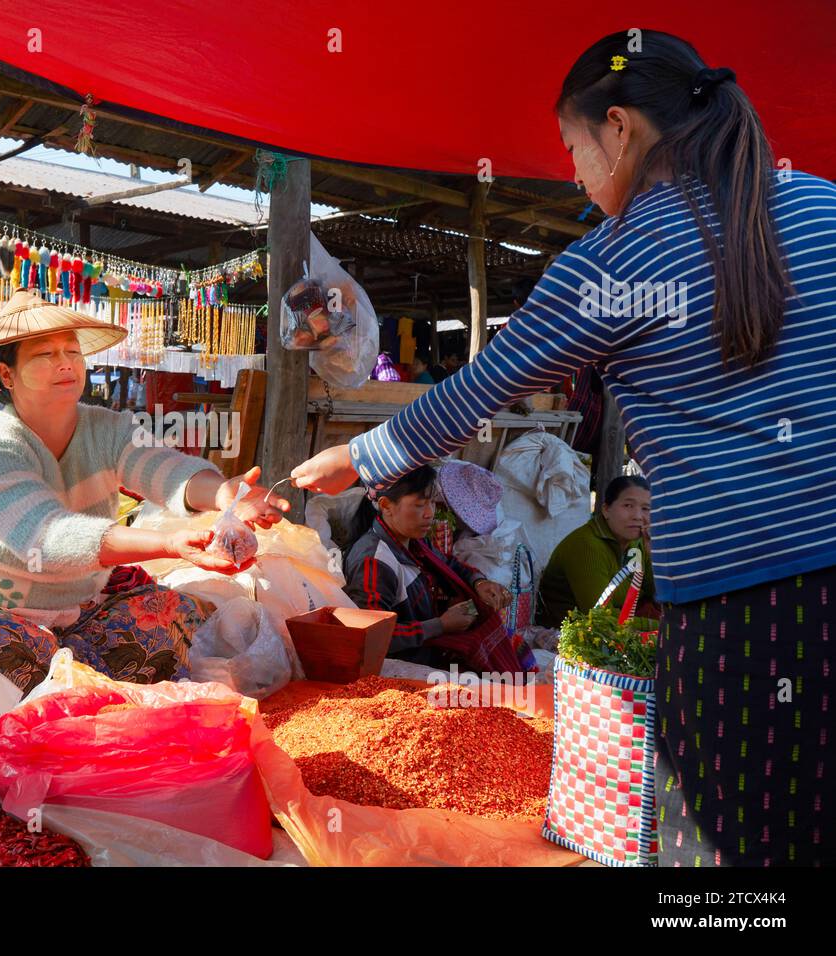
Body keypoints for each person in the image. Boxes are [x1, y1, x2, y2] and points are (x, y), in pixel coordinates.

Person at [292, 30, 836, 866]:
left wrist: (347, 462)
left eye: (573, 150)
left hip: (749, 607)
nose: (576, 175)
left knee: (727, 859)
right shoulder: (822, 205)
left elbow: (472, 395)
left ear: (618, 128)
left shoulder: (614, 260)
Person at [0, 289, 288, 693]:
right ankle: (69, 678)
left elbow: (165, 470)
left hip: (76, 611)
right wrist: (168, 543)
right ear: (6, 374)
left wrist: (223, 492)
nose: (65, 364)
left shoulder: (106, 428)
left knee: (176, 615)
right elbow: (49, 537)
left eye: (72, 351)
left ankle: (67, 675)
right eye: (45, 354)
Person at [343, 465, 513, 667]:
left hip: (430, 653)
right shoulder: (373, 562)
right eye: (420, 505)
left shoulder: (413, 540)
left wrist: (479, 582)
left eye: (432, 502)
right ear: (386, 505)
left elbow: (449, 564)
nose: (430, 513)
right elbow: (371, 634)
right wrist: (440, 625)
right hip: (399, 668)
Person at [537, 475, 655, 627]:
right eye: (628, 506)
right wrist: (664, 628)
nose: (638, 516)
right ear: (606, 510)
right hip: (575, 635)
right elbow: (601, 619)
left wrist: (655, 556)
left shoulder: (638, 544)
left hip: (619, 628)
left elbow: (661, 595)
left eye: (646, 509)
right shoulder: (586, 545)